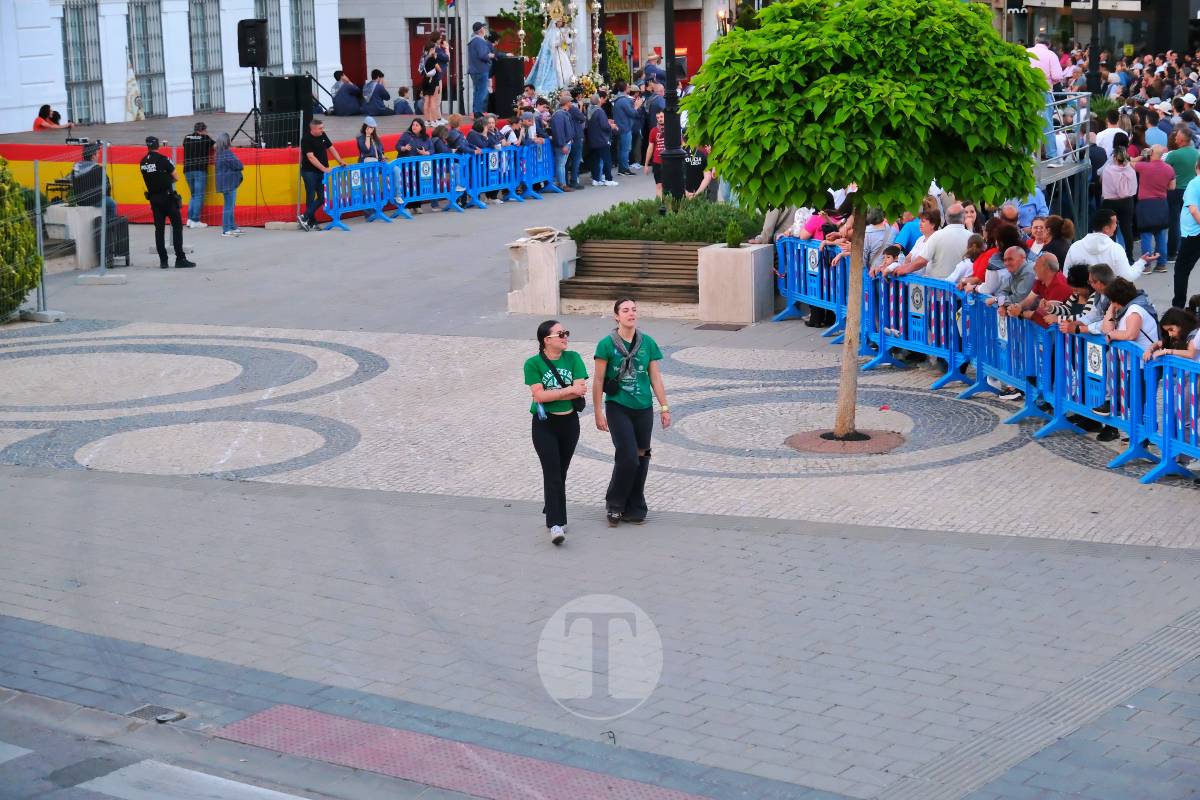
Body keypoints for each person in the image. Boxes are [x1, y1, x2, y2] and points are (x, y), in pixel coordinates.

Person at [593, 298, 669, 527]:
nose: (631, 313)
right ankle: (615, 505)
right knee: (628, 458)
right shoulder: (606, 344)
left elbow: (655, 377)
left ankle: (635, 506)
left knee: (642, 458)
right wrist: (598, 411)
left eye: (634, 310)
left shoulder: (648, 343)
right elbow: (598, 380)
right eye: (625, 310)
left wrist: (664, 407)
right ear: (616, 316)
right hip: (618, 407)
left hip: (643, 409)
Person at [526, 320, 588, 545]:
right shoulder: (533, 363)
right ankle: (556, 523)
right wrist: (569, 390)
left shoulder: (573, 358)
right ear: (547, 340)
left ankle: (550, 504)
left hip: (570, 423)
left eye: (566, 333)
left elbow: (580, 390)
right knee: (552, 473)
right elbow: (539, 397)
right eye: (560, 334)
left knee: (561, 471)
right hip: (544, 425)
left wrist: (563, 392)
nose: (565, 337)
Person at [139, 136, 195, 269]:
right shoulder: (163, 160)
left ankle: (163, 261)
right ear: (158, 145)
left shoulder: (142, 163)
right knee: (177, 226)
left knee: (159, 229)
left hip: (153, 199)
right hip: (167, 197)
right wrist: (166, 180)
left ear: (147, 146)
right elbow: (176, 176)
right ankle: (180, 259)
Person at [1134, 144, 1177, 273]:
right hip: (1161, 203)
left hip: (1146, 204)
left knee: (1146, 234)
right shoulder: (1169, 169)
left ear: (1151, 152)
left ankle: (1147, 266)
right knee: (1161, 234)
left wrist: (1142, 155)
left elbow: (1129, 162)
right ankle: (1162, 264)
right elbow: (1172, 187)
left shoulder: (1144, 167)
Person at [1064, 208, 1138, 281]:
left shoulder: (1075, 246)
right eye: (1115, 223)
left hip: (1081, 291)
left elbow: (1066, 275)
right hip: (1108, 292)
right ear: (1106, 228)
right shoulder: (1116, 249)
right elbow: (1127, 278)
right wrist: (1141, 263)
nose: (1116, 225)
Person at [298, 118, 344, 231]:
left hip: (320, 172)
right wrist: (324, 168)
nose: (322, 130)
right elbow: (311, 157)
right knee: (310, 196)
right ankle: (311, 221)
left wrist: (340, 160)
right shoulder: (306, 139)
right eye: (320, 128)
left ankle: (304, 217)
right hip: (309, 172)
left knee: (322, 198)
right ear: (313, 129)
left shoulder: (323, 135)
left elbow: (331, 148)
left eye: (323, 128)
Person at [1005, 253, 1072, 327]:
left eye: (1037, 265)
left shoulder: (1059, 285)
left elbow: (1044, 317)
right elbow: (1029, 300)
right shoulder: (1041, 279)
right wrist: (1018, 307)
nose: (1034, 268)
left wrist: (1020, 313)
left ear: (1046, 269)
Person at [1101, 137, 1138, 261]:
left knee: (1111, 230)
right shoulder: (1130, 170)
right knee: (1127, 228)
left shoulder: (1108, 170)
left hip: (1110, 202)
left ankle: (1111, 257)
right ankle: (1130, 256)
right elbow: (1133, 187)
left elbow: (1103, 182)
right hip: (1127, 201)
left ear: (1115, 157)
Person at [1166, 124, 1198, 260]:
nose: (1175, 139)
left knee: (1174, 220)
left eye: (1177, 137)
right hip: (1193, 190)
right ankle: (1189, 248)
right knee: (1191, 220)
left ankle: (1173, 252)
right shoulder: (1197, 153)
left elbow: (1165, 171)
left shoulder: (1173, 155)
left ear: (1182, 140)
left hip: (1176, 190)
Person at [1175, 156, 1200, 309]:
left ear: (1196, 165)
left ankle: (1178, 306)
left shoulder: (1194, 183)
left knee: (1181, 270)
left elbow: (1193, 209)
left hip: (1193, 233)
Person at [923, 203, 973, 278]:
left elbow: (921, 260)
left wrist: (904, 269)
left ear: (946, 218)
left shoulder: (936, 236)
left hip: (938, 286)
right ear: (963, 218)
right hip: (962, 286)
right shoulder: (972, 237)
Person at [70, 141, 117, 221]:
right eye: (97, 154)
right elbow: (107, 185)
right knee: (112, 204)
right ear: (92, 156)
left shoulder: (76, 168)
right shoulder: (98, 168)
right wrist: (107, 195)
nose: (98, 156)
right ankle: (109, 226)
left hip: (79, 200)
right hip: (95, 200)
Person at [529, 18, 575, 98]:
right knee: (557, 69)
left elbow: (567, 41)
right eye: (559, 21)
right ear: (556, 22)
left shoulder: (563, 30)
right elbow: (551, 44)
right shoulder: (552, 32)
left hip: (561, 52)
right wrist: (559, 42)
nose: (561, 22)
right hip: (555, 53)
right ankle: (559, 87)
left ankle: (567, 87)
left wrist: (571, 36)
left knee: (566, 68)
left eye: (561, 21)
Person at [182, 121, 214, 227]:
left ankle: (190, 219)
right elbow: (216, 146)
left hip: (187, 170)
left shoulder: (186, 138)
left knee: (194, 195)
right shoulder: (206, 138)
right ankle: (195, 220)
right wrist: (207, 135)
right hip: (199, 170)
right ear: (203, 130)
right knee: (199, 196)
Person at [214, 132, 243, 237]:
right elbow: (238, 165)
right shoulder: (227, 153)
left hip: (225, 183)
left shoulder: (219, 153)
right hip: (229, 183)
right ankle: (227, 229)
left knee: (230, 205)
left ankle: (231, 226)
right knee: (229, 206)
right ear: (227, 141)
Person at [585, 94, 617, 187]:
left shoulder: (589, 110)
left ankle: (596, 179)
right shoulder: (600, 111)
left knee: (595, 160)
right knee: (607, 160)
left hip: (593, 139)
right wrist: (611, 126)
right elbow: (604, 126)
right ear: (599, 101)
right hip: (602, 139)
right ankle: (608, 179)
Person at [468, 22, 496, 117]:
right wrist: (491, 55)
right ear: (480, 30)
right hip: (481, 70)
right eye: (483, 28)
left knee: (476, 92)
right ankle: (478, 113)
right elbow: (482, 55)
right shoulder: (479, 41)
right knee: (482, 93)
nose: (485, 30)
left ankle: (476, 112)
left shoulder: (472, 40)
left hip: (474, 70)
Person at [550, 92, 575, 191]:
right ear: (566, 103)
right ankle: (562, 184)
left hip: (566, 143)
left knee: (561, 164)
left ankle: (562, 183)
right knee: (560, 164)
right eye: (570, 102)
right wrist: (563, 144)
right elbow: (558, 131)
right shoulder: (559, 115)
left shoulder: (562, 114)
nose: (571, 104)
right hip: (563, 144)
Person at [612, 81, 638, 176]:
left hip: (620, 127)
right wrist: (636, 107)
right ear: (625, 88)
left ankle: (621, 168)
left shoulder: (618, 99)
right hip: (625, 127)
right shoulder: (624, 100)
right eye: (628, 87)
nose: (629, 88)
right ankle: (624, 169)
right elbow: (632, 113)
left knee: (622, 149)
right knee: (625, 149)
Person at [643, 109, 665, 196]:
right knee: (659, 186)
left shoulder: (672, 128)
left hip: (669, 161)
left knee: (669, 186)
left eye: (662, 117)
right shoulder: (653, 131)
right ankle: (659, 206)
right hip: (657, 162)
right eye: (658, 117)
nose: (660, 119)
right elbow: (650, 148)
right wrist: (646, 164)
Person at [420, 44, 441, 127]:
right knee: (432, 100)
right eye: (434, 49)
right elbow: (439, 69)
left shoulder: (423, 58)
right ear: (431, 49)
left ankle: (427, 120)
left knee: (426, 101)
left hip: (425, 80)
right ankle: (434, 120)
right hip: (432, 80)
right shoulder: (432, 58)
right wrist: (435, 59)